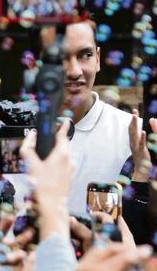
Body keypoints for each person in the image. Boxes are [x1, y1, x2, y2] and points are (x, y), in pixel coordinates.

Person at [56, 19, 139, 214]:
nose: (75, 71)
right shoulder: (9, 134)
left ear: (98, 59)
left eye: (85, 55)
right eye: (60, 57)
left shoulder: (131, 132)